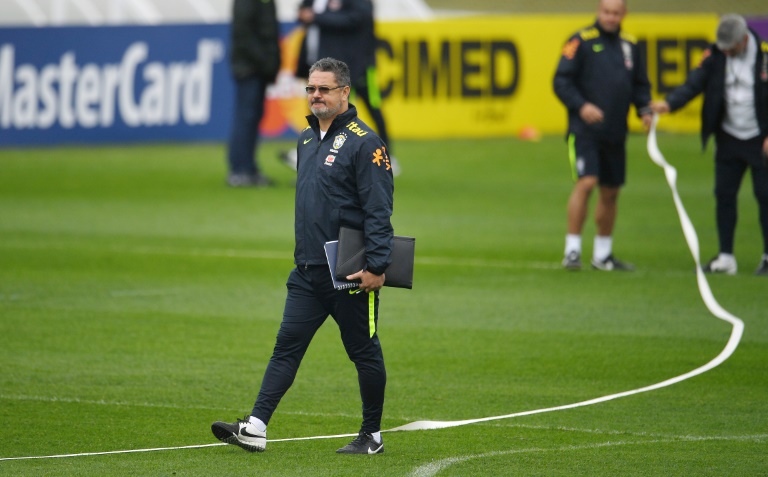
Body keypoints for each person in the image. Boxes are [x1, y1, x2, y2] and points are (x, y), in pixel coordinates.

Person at [211, 58, 394, 454]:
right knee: (286, 347)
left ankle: (372, 435)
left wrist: (377, 266)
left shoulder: (367, 143)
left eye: (324, 89)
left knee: (363, 351)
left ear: (344, 92)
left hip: (349, 268)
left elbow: (379, 210)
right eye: (311, 89)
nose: (315, 96)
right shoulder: (306, 139)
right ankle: (256, 427)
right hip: (308, 270)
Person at [650, 14, 768, 276]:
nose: (726, 51)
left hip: (760, 138)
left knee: (765, 196)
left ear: (744, 40)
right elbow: (694, 82)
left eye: (731, 47)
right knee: (724, 196)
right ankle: (726, 257)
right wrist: (669, 104)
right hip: (728, 136)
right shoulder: (715, 55)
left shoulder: (764, 55)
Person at [553, 0, 652, 271]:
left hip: (616, 130)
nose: (610, 17)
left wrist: (644, 109)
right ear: (599, 12)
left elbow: (640, 85)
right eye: (606, 12)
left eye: (616, 13)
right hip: (585, 131)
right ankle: (572, 250)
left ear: (624, 14)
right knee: (587, 183)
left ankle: (603, 254)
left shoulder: (630, 45)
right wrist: (581, 105)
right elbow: (561, 81)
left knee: (611, 191)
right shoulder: (581, 41)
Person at [279, 0, 400, 176]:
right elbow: (304, 15)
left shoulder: (355, 5)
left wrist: (317, 17)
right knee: (322, 110)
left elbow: (354, 19)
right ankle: (314, 157)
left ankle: (386, 156)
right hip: (324, 64)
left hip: (359, 66)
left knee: (371, 108)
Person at [225, 0, 281, 187]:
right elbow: (244, 34)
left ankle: (248, 168)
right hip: (250, 68)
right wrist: (267, 62)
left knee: (252, 117)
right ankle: (240, 170)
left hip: (256, 67)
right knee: (246, 118)